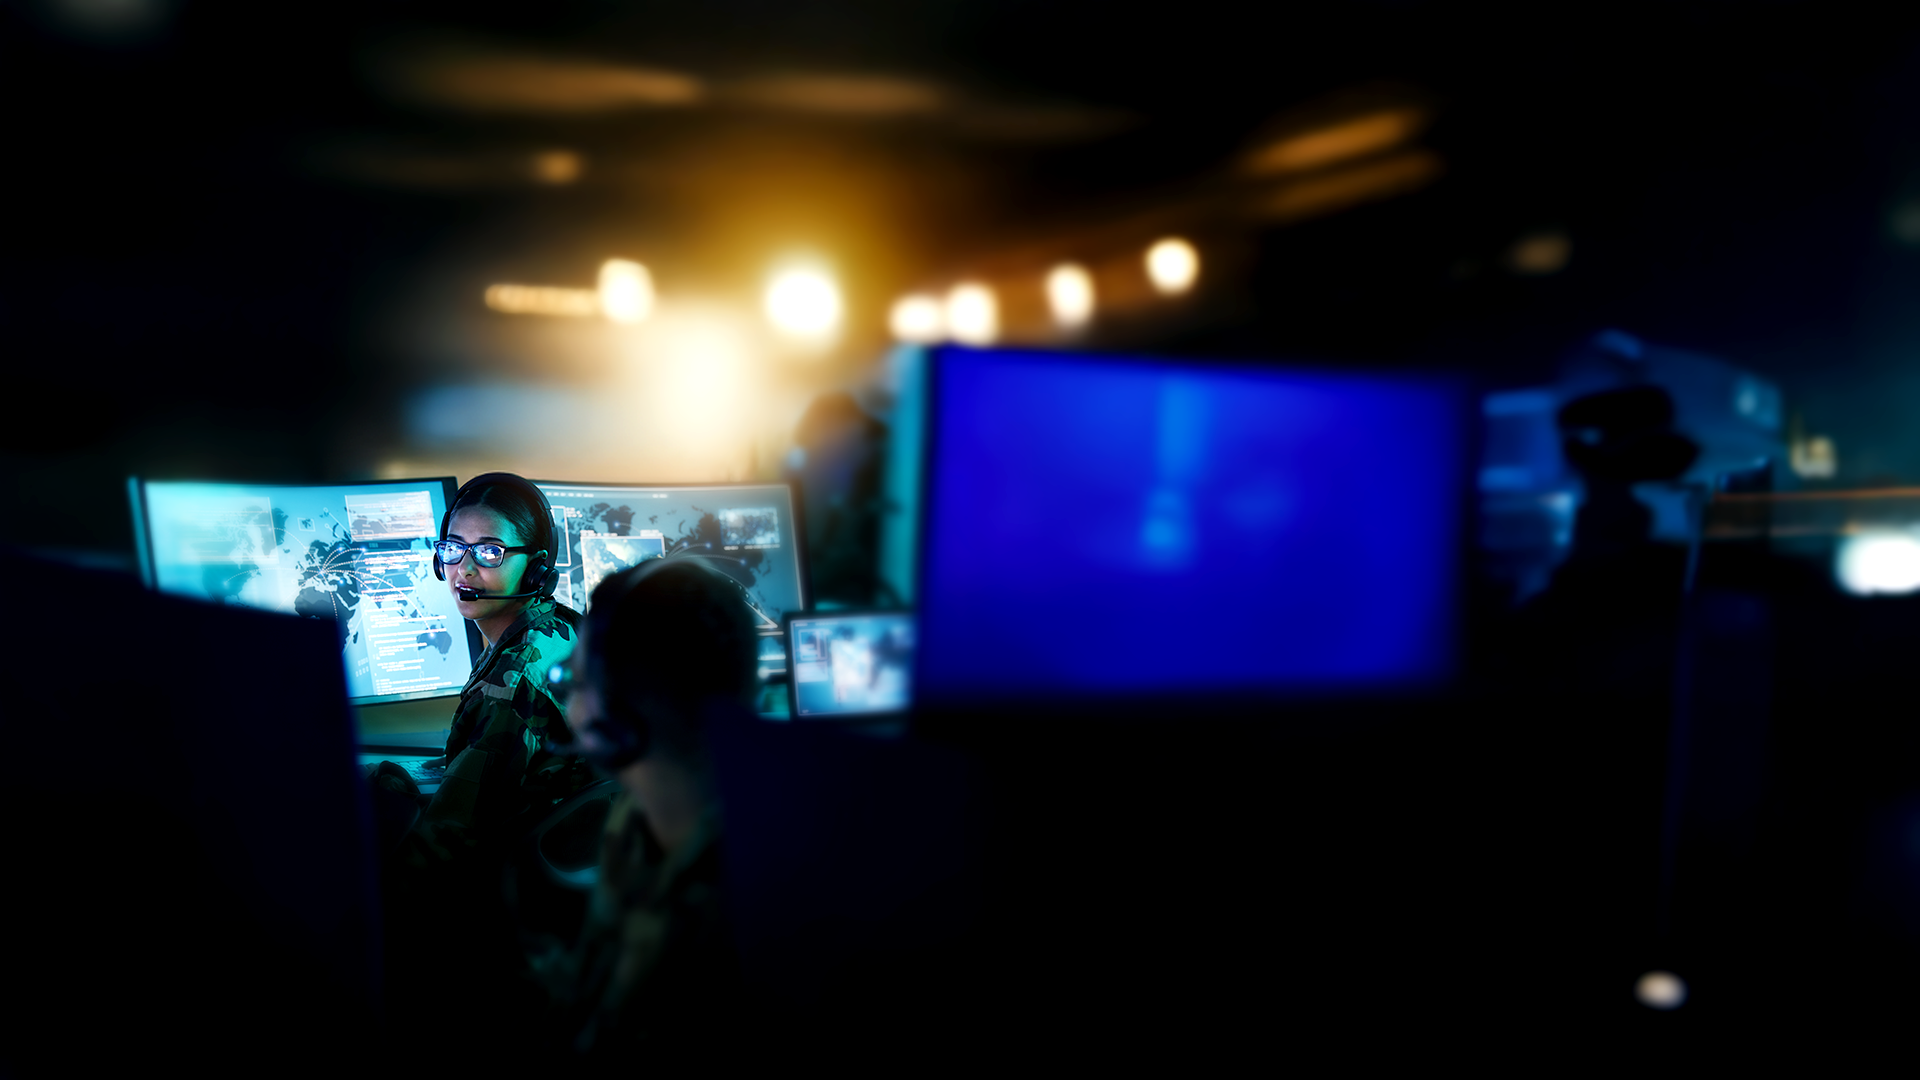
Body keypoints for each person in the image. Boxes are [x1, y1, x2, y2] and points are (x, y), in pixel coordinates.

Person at [530, 556, 757, 1061]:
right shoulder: (639, 820)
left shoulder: (723, 914)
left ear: (614, 712)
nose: (570, 699)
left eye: (573, 675)